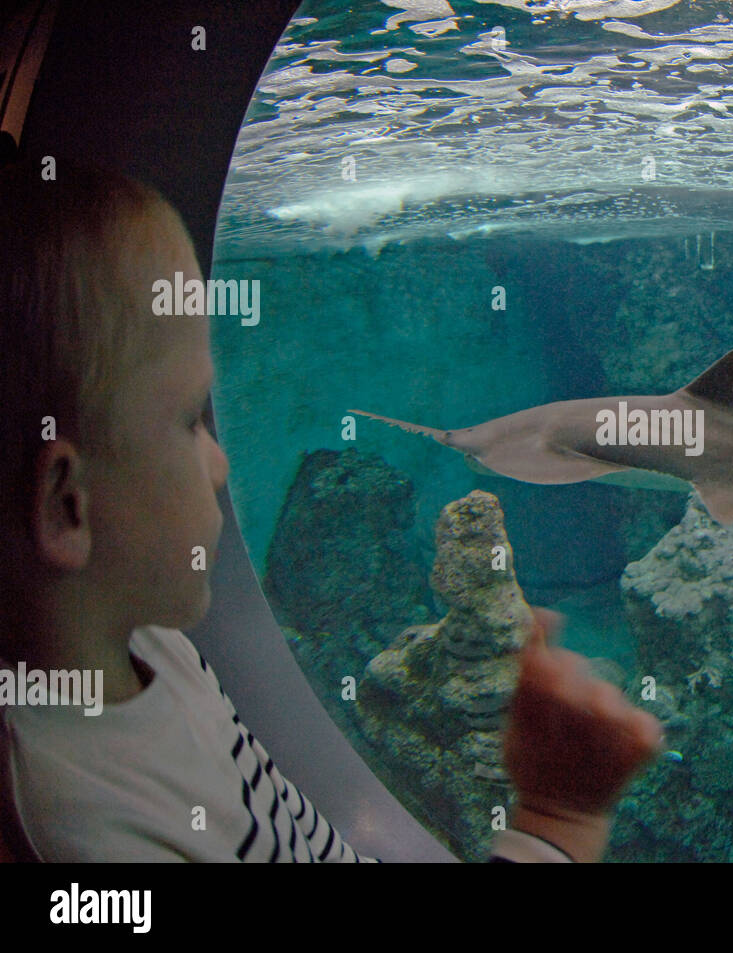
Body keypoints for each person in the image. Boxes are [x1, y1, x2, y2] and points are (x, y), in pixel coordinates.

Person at [0, 159, 661, 862]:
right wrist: (559, 818)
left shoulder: (155, 649)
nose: (221, 461)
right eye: (193, 418)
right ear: (67, 506)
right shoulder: (94, 834)